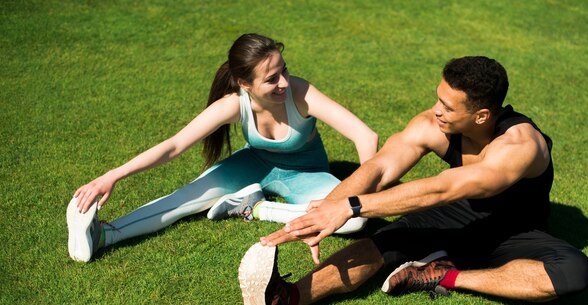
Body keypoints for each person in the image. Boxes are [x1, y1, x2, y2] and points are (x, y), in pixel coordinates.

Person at [237, 56, 588, 305]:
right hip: (454, 216)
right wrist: (323, 210)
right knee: (376, 246)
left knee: (574, 272)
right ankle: (286, 301)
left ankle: (442, 274)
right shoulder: (433, 125)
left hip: (516, 231)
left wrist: (352, 207)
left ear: (482, 115)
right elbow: (380, 168)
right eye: (438, 99)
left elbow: (444, 187)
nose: (437, 110)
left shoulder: (520, 146)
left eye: (448, 107)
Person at [66, 33, 378, 262]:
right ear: (245, 84)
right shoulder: (234, 104)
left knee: (356, 218)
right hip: (253, 164)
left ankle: (257, 207)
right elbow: (174, 146)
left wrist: (368, 196)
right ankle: (103, 234)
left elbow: (365, 136)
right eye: (272, 79)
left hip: (307, 173)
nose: (283, 81)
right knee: (184, 200)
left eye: (284, 70)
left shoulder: (300, 92)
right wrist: (112, 175)